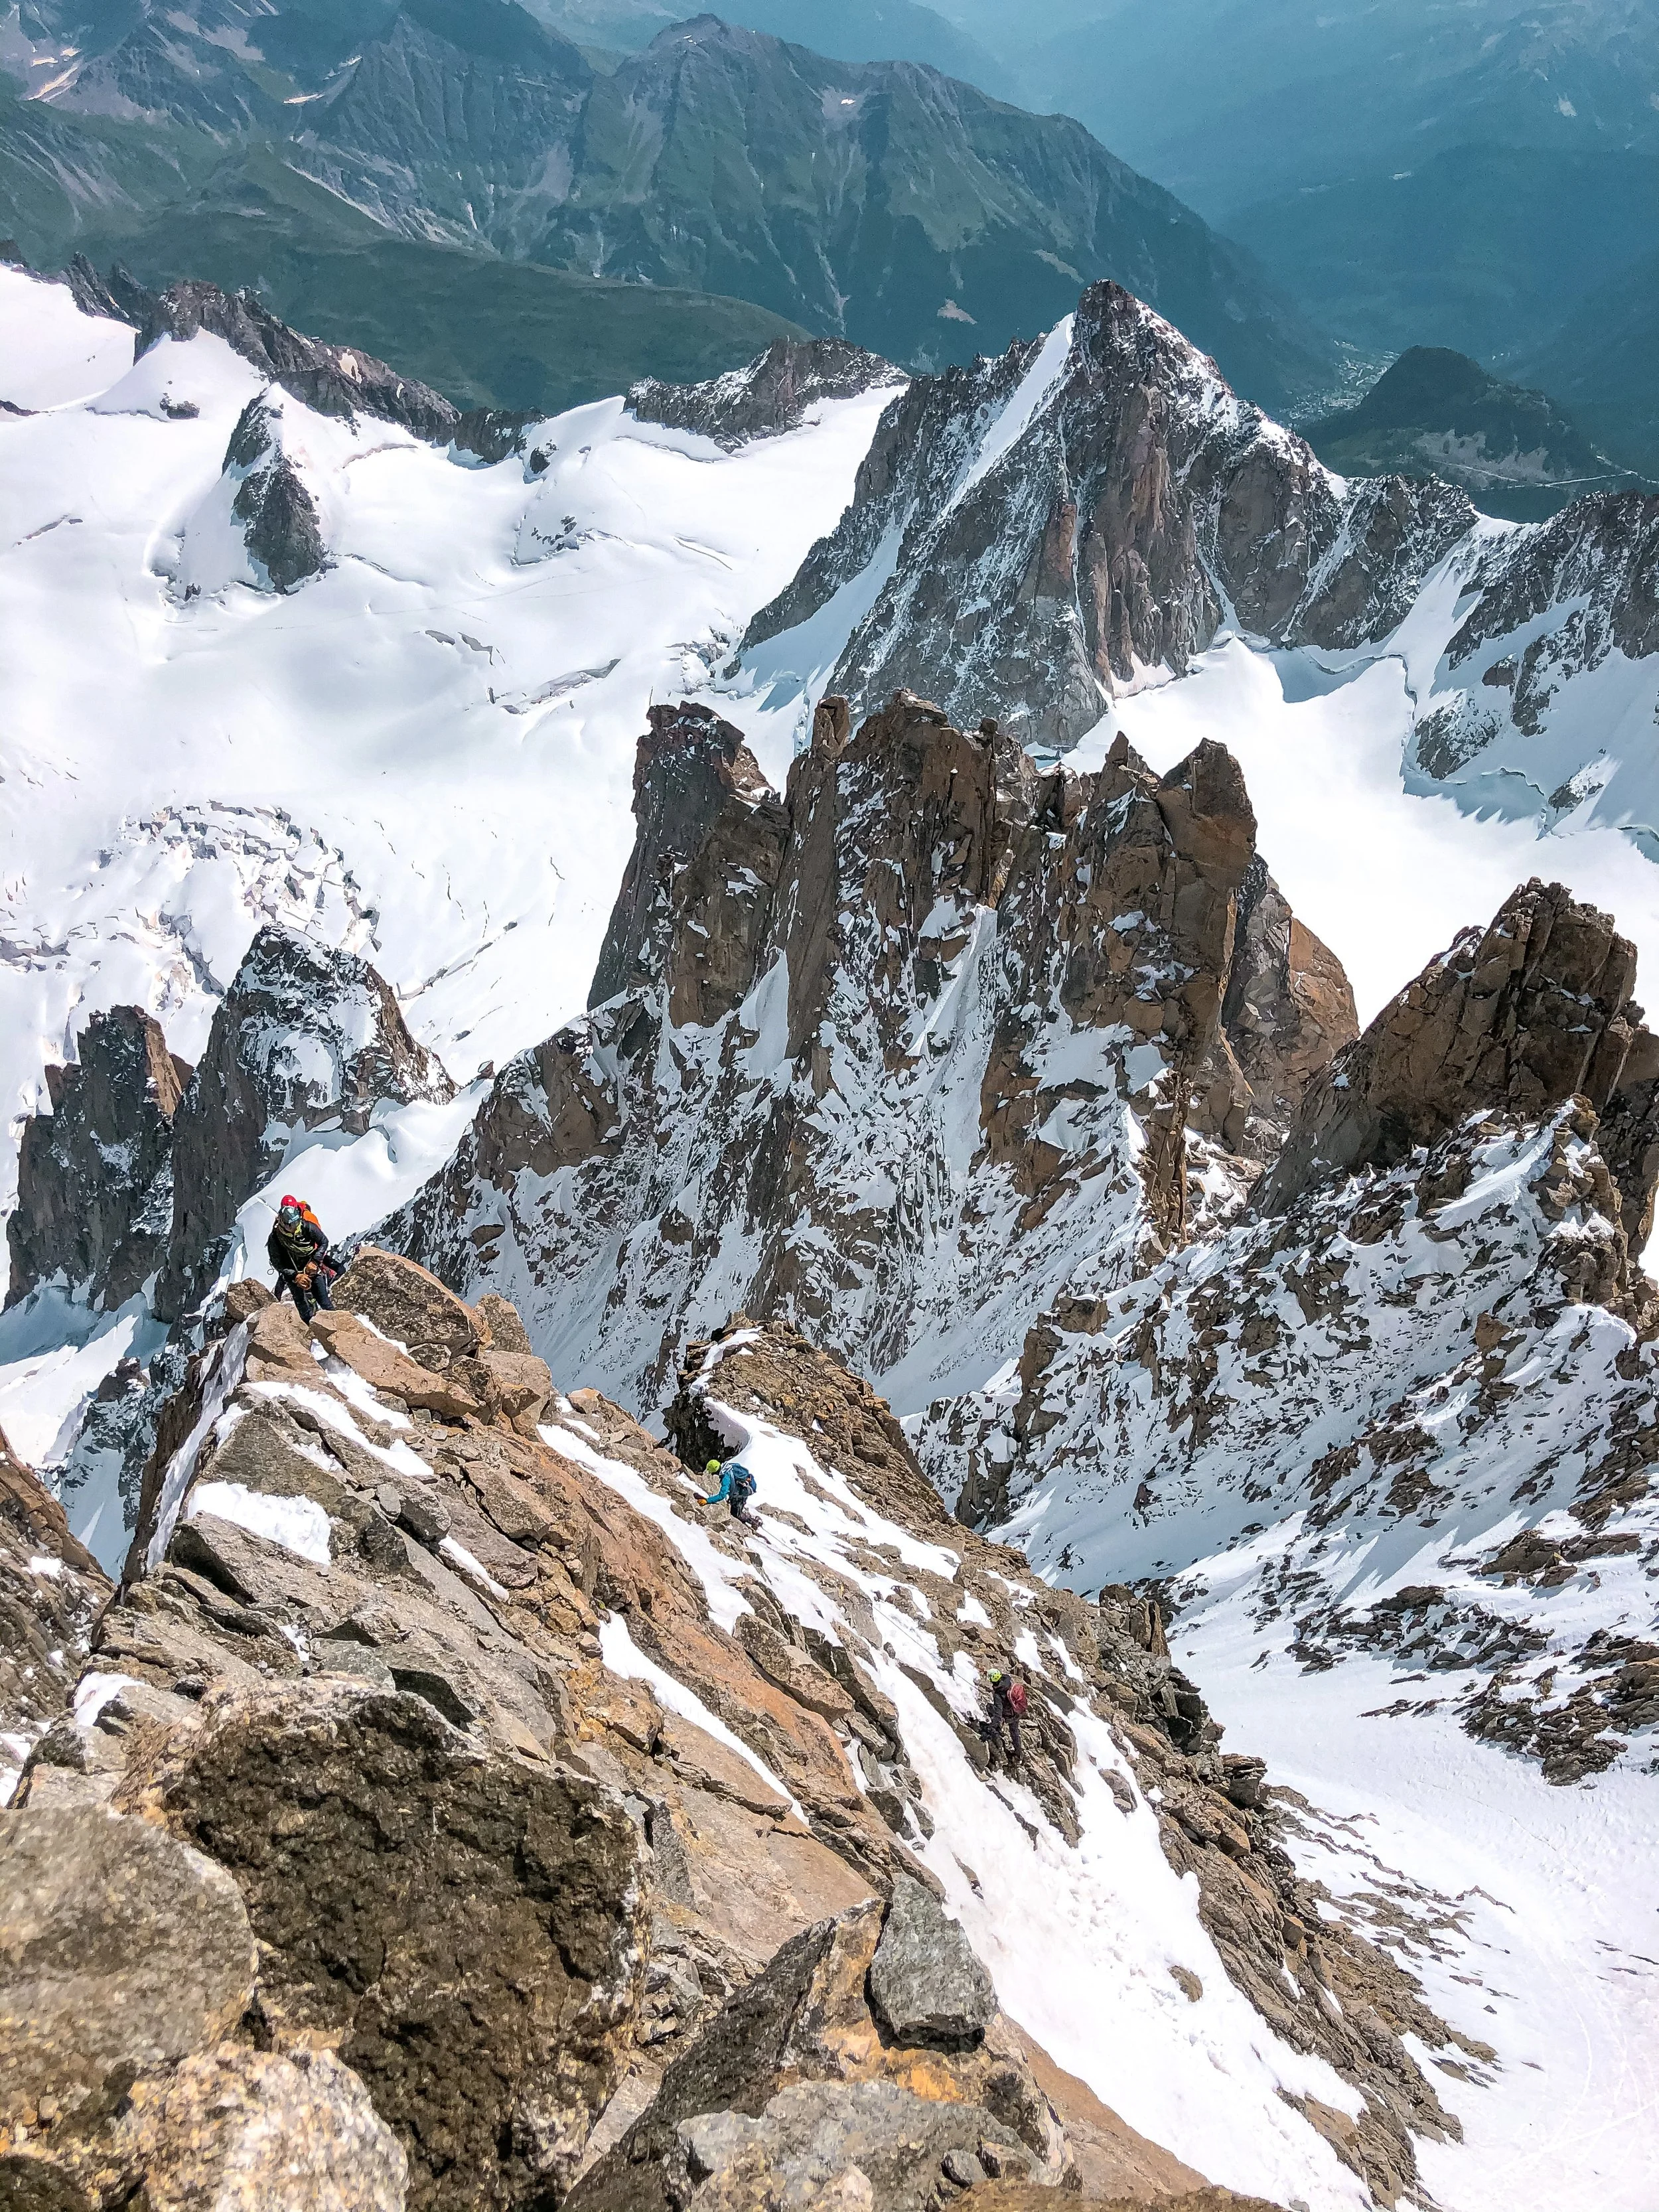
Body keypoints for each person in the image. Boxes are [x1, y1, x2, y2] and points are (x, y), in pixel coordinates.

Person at [267, 1195, 336, 1323]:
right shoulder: (275, 1239)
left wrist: (314, 1262)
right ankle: (312, 1334)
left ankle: (335, 1330)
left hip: (311, 1269)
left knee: (325, 1303)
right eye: (292, 1224)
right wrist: (295, 1276)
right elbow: (278, 1263)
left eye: (296, 1223)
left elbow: (323, 1241)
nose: (295, 1226)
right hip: (294, 1274)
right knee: (303, 1308)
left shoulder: (306, 1226)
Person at [983, 1667, 1028, 1768]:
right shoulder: (1007, 1680)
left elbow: (998, 1714)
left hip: (1008, 1715)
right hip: (1017, 1713)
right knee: (1015, 1733)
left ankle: (999, 1729)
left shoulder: (999, 1695)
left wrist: (993, 1726)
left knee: (990, 1708)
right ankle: (1018, 1754)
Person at [701, 1455, 758, 1528]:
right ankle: (747, 1515)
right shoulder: (728, 1466)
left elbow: (721, 1496)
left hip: (743, 1492)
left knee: (736, 1514)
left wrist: (707, 1501)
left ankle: (754, 1521)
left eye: (713, 1473)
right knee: (736, 1507)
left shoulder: (726, 1478)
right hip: (742, 1489)